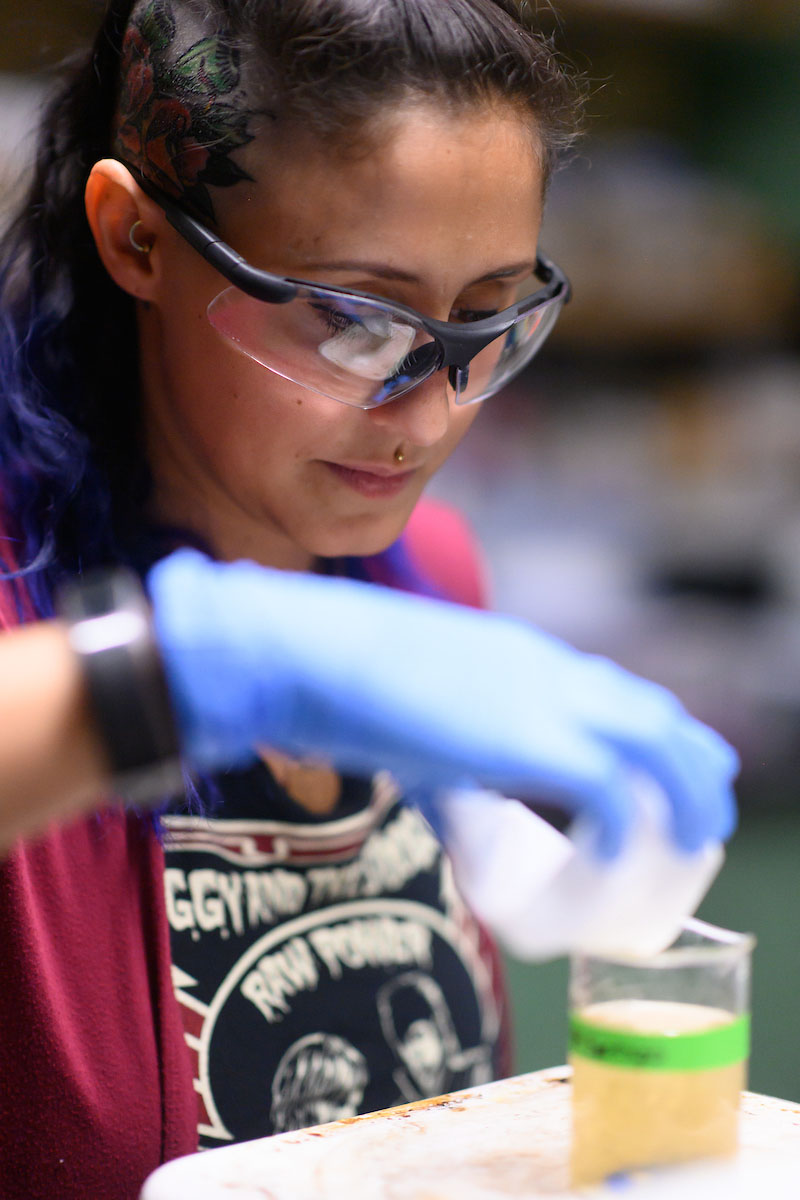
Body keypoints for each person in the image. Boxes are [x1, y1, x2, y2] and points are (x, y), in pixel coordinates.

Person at [0, 1, 738, 1197]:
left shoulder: (428, 577)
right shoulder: (27, 609)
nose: (432, 412)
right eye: (352, 321)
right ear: (135, 238)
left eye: (490, 315)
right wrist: (187, 670)